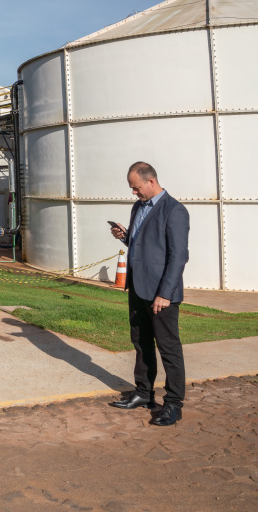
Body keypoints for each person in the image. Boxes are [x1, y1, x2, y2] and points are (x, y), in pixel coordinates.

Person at [109, 162, 189, 427]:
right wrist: (126, 237)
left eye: (136, 187)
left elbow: (178, 256)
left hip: (161, 294)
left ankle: (174, 404)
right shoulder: (138, 207)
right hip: (138, 288)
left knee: (168, 349)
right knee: (141, 343)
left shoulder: (174, 210)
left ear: (151, 181)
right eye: (132, 188)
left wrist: (165, 293)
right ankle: (144, 393)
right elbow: (144, 245)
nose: (134, 193)